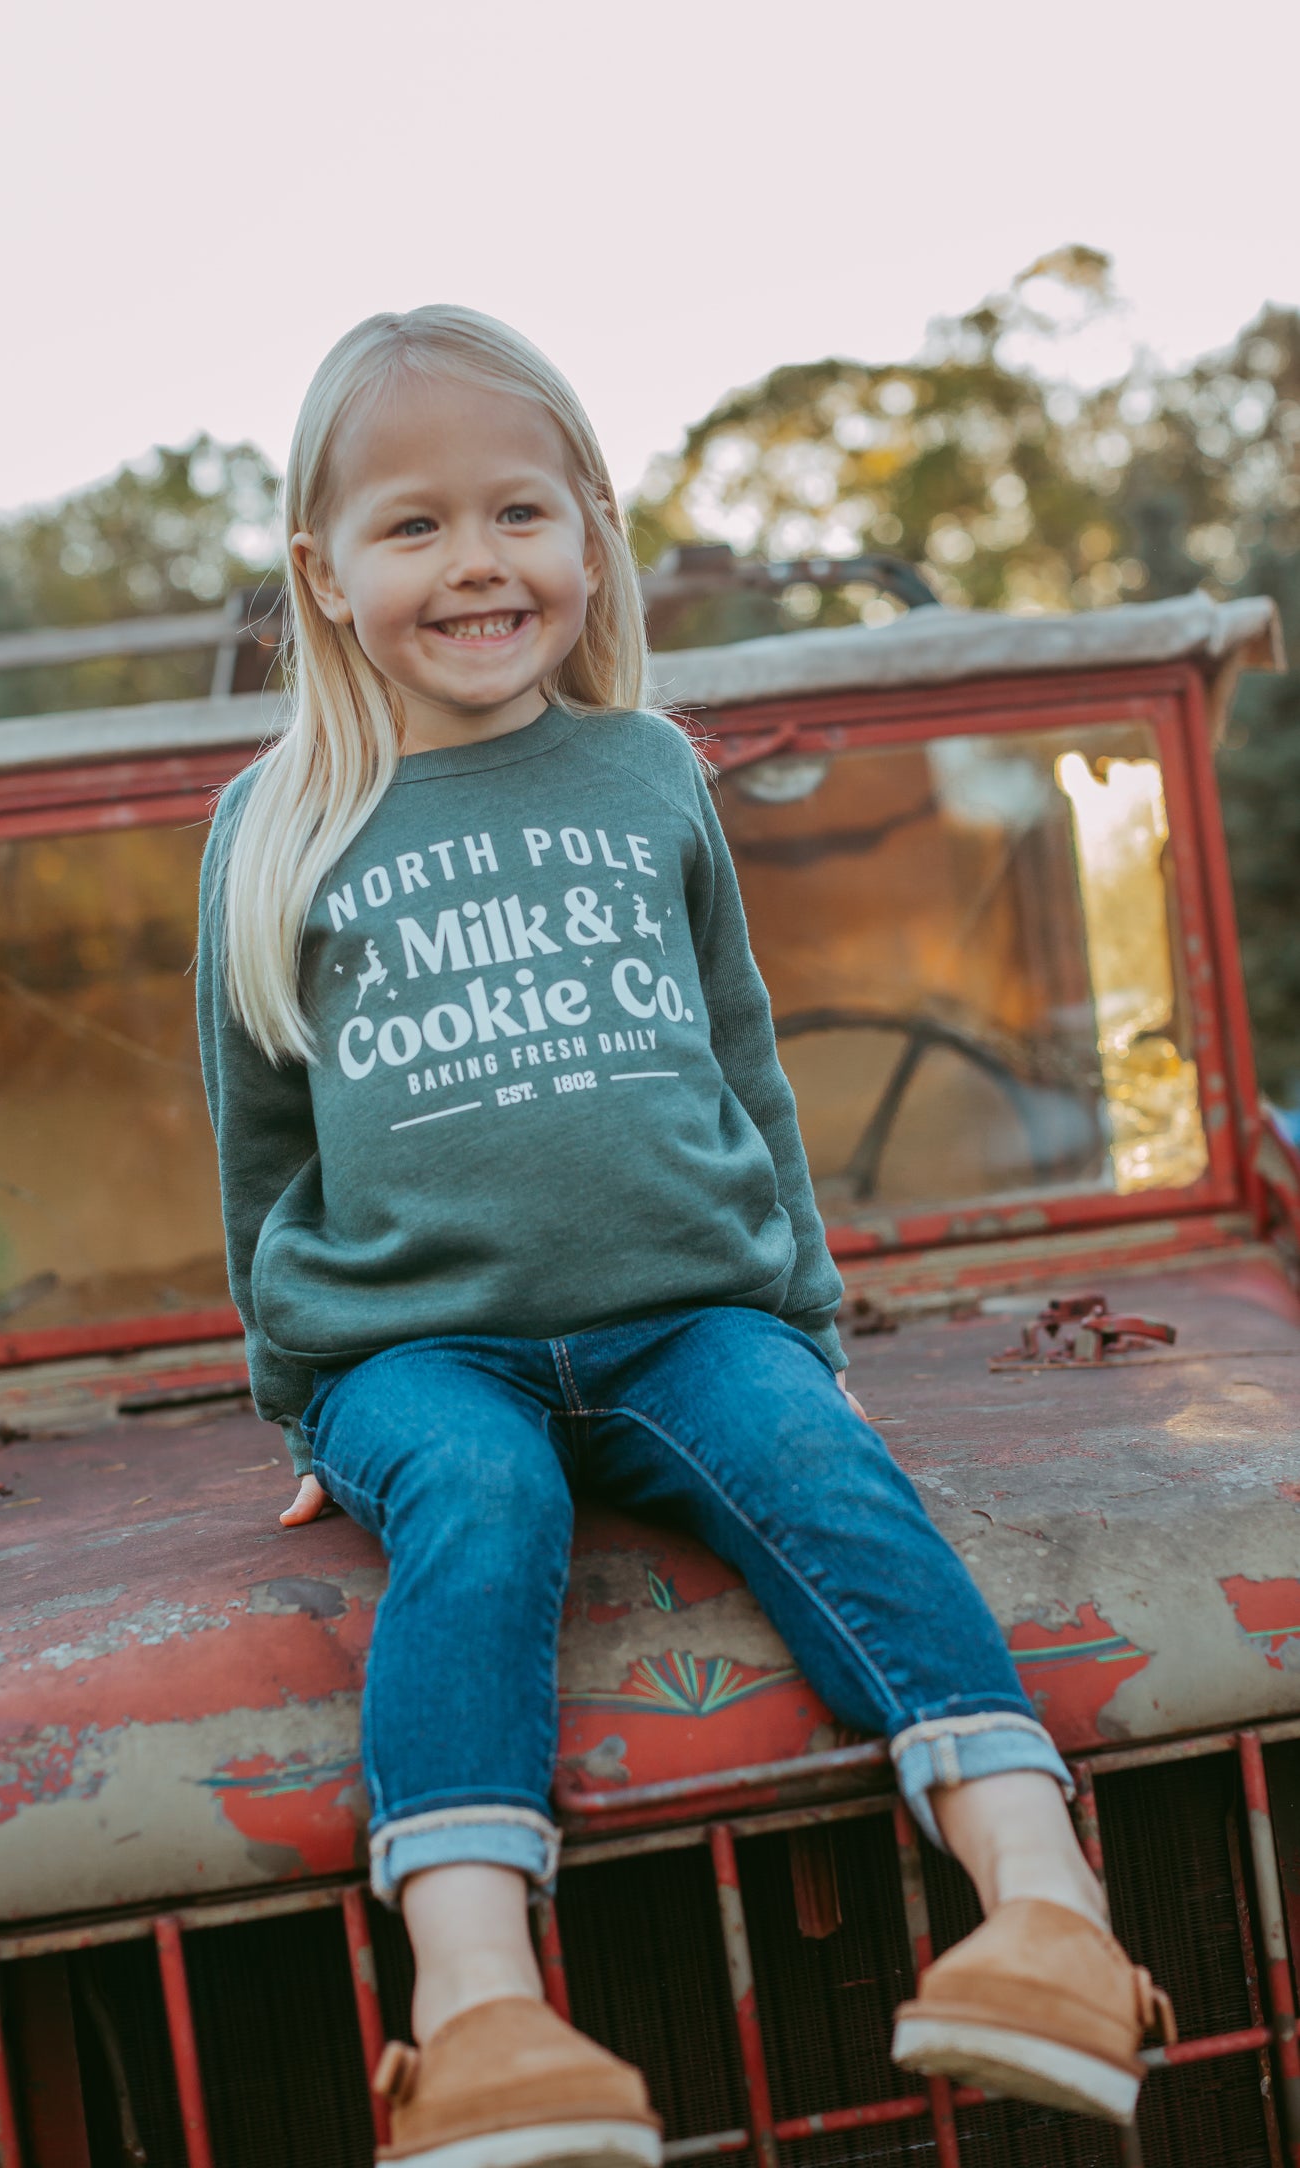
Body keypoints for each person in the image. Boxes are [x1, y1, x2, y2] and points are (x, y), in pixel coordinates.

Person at [196, 306, 1172, 2166]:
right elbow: (257, 1144)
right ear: (321, 575)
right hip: (416, 1350)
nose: (477, 563)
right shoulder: (274, 827)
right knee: (481, 1511)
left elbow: (744, 1064)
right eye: (413, 528)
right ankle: (476, 2017)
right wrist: (305, 1406)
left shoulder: (649, 772)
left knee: (818, 1461)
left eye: (518, 514)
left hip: (681, 1315)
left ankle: (1047, 1917)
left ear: (589, 533)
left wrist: (801, 1324)